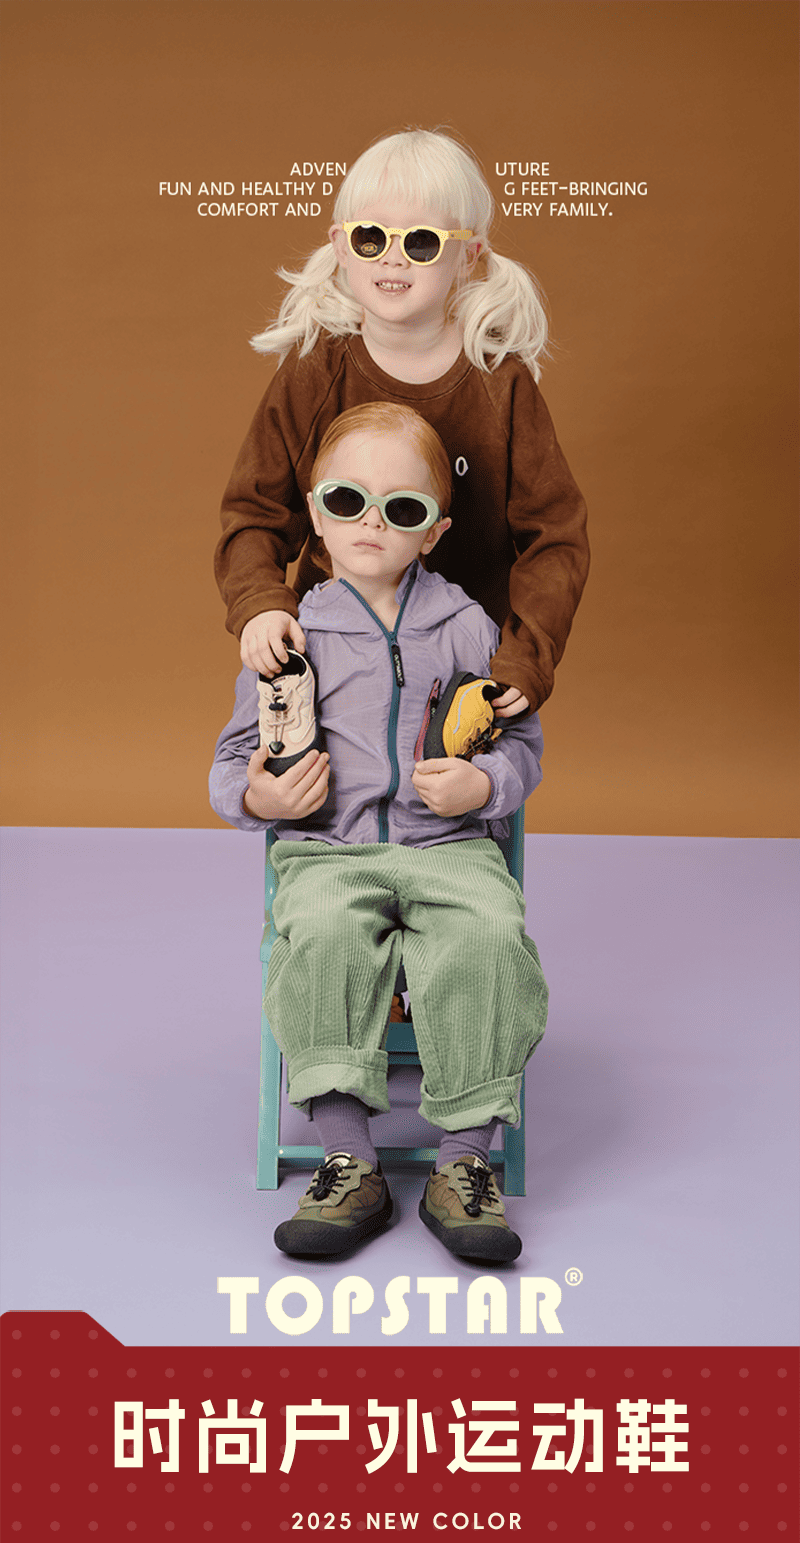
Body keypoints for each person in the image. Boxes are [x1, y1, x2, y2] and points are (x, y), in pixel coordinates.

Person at [210, 404, 549, 1264]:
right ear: (316, 515)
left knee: (490, 934)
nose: (371, 523)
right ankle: (347, 1160)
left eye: (400, 508)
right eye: (347, 500)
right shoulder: (291, 635)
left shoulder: (469, 627)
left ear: (432, 531)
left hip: (450, 847)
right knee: (320, 933)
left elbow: (521, 747)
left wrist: (484, 783)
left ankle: (464, 1163)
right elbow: (232, 763)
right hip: (331, 848)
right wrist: (262, 796)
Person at [215, 127, 589, 719]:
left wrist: (526, 656)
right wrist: (260, 602)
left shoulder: (500, 383)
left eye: (421, 242)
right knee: (317, 772)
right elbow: (254, 510)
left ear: (469, 254)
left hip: (469, 663)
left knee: (468, 773)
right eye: (371, 237)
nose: (393, 257)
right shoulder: (314, 371)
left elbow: (555, 536)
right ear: (341, 246)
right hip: (334, 652)